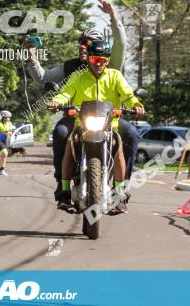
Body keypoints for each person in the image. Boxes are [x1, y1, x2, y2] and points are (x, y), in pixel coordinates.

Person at [46, 39, 144, 215]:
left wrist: (136, 104)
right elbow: (64, 93)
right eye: (94, 60)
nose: (98, 64)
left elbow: (128, 95)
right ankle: (64, 190)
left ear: (107, 61)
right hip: (82, 124)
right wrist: (56, 102)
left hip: (109, 125)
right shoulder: (78, 77)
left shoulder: (115, 76)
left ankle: (119, 192)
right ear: (89, 59)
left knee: (122, 143)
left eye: (102, 60)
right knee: (69, 143)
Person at [0, 111, 15, 176]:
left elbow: (12, 130)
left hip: (5, 140)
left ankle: (1, 170)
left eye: (9, 118)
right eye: (7, 117)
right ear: (3, 117)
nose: (8, 119)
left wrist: (10, 132)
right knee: (5, 153)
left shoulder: (9, 123)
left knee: (4, 156)